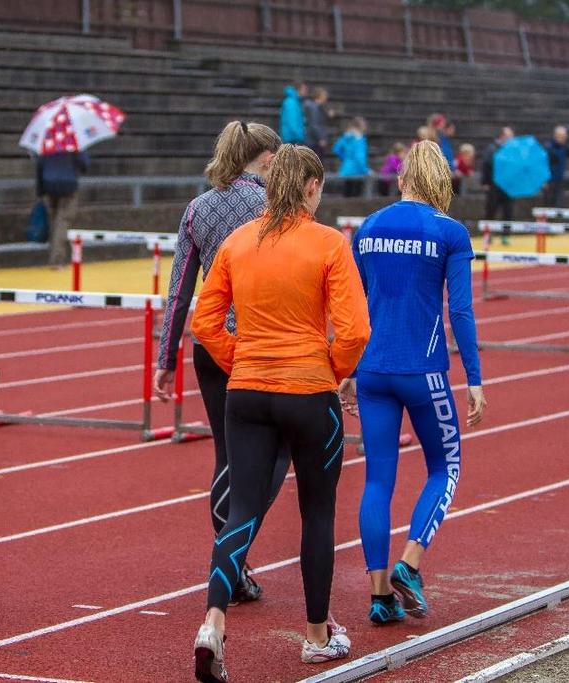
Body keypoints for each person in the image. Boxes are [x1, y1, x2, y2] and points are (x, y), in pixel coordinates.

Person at [191, 144, 370, 682]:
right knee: (317, 512)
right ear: (312, 188)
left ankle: (213, 623)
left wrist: (239, 358)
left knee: (243, 508)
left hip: (246, 393)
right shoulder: (328, 243)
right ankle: (317, 636)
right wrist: (331, 370)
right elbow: (357, 329)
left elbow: (204, 322)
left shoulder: (238, 241)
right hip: (308, 391)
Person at [340, 140, 486, 626]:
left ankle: (380, 596)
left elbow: (353, 305)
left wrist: (348, 368)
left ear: (402, 178)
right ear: (440, 181)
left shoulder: (369, 227)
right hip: (424, 372)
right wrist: (475, 378)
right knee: (446, 466)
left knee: (377, 479)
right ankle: (411, 562)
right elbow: (460, 310)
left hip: (373, 370)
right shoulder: (449, 232)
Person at [155, 121, 283, 604]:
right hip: (260, 342)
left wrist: (166, 357)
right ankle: (231, 557)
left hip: (209, 343)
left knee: (227, 455)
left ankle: (233, 561)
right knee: (278, 451)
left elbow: (179, 289)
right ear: (268, 160)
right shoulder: (273, 206)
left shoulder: (197, 208)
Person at [36, 150, 89, 266]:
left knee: (53, 220)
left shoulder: (47, 144)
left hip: (48, 184)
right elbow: (84, 164)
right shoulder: (74, 144)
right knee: (63, 220)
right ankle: (57, 259)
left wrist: (40, 190)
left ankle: (53, 253)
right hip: (68, 185)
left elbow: (39, 166)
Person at [482, 126, 515, 241]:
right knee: (491, 210)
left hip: (508, 186)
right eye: (509, 136)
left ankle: (505, 235)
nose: (511, 139)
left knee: (508, 211)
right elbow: (486, 165)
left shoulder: (511, 150)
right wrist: (485, 182)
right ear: (502, 136)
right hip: (494, 185)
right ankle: (487, 235)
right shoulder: (492, 149)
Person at [544, 126, 569, 208]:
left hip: (559, 181)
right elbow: (544, 165)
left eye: (565, 137)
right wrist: (544, 180)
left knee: (559, 205)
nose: (564, 139)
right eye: (562, 137)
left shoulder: (563, 147)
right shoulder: (549, 148)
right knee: (549, 205)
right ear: (556, 136)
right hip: (550, 181)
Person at [332, 117, 370, 198]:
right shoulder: (359, 140)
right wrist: (366, 171)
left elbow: (336, 149)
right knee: (356, 198)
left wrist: (345, 159)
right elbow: (360, 159)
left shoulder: (346, 137)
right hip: (357, 172)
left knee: (346, 194)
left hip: (346, 170)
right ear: (362, 127)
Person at [305, 87, 332, 159]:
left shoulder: (318, 107)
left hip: (315, 140)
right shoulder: (314, 108)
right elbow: (314, 125)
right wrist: (321, 138)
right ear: (320, 96)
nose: (326, 98)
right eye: (324, 95)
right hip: (314, 141)